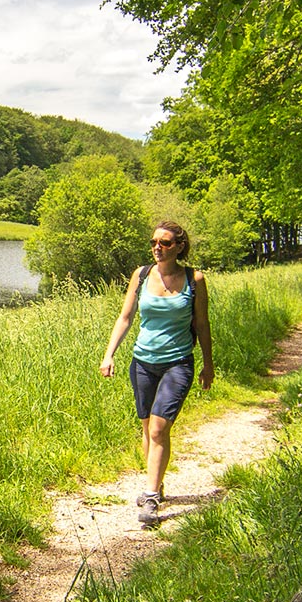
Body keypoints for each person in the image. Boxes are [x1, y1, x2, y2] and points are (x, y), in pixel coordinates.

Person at [99, 221, 215, 526]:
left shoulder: (194, 279)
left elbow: (202, 324)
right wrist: (109, 354)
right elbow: (125, 317)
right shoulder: (142, 275)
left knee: (159, 429)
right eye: (154, 242)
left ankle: (150, 497)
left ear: (179, 246)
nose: (157, 247)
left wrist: (208, 363)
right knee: (147, 428)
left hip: (178, 363)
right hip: (142, 363)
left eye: (164, 243)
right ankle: (157, 480)